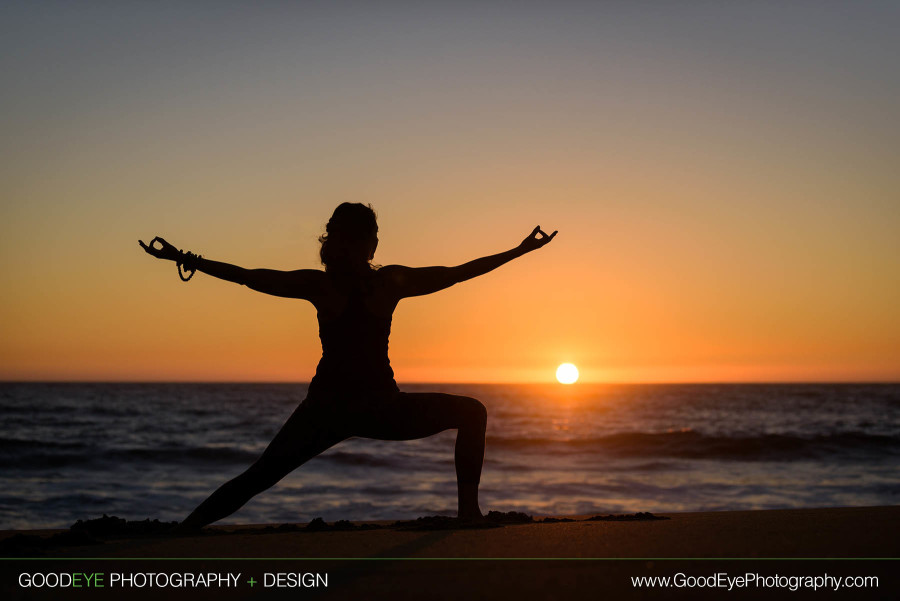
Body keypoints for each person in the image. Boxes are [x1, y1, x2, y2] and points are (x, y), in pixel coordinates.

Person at [139, 202, 556, 530]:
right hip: (358, 408)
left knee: (259, 477)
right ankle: (184, 530)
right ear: (362, 243)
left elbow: (456, 274)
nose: (367, 245)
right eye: (366, 237)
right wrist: (185, 257)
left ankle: (184, 530)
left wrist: (185, 257)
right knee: (259, 476)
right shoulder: (370, 283)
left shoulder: (340, 284)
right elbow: (251, 277)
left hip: (341, 408)